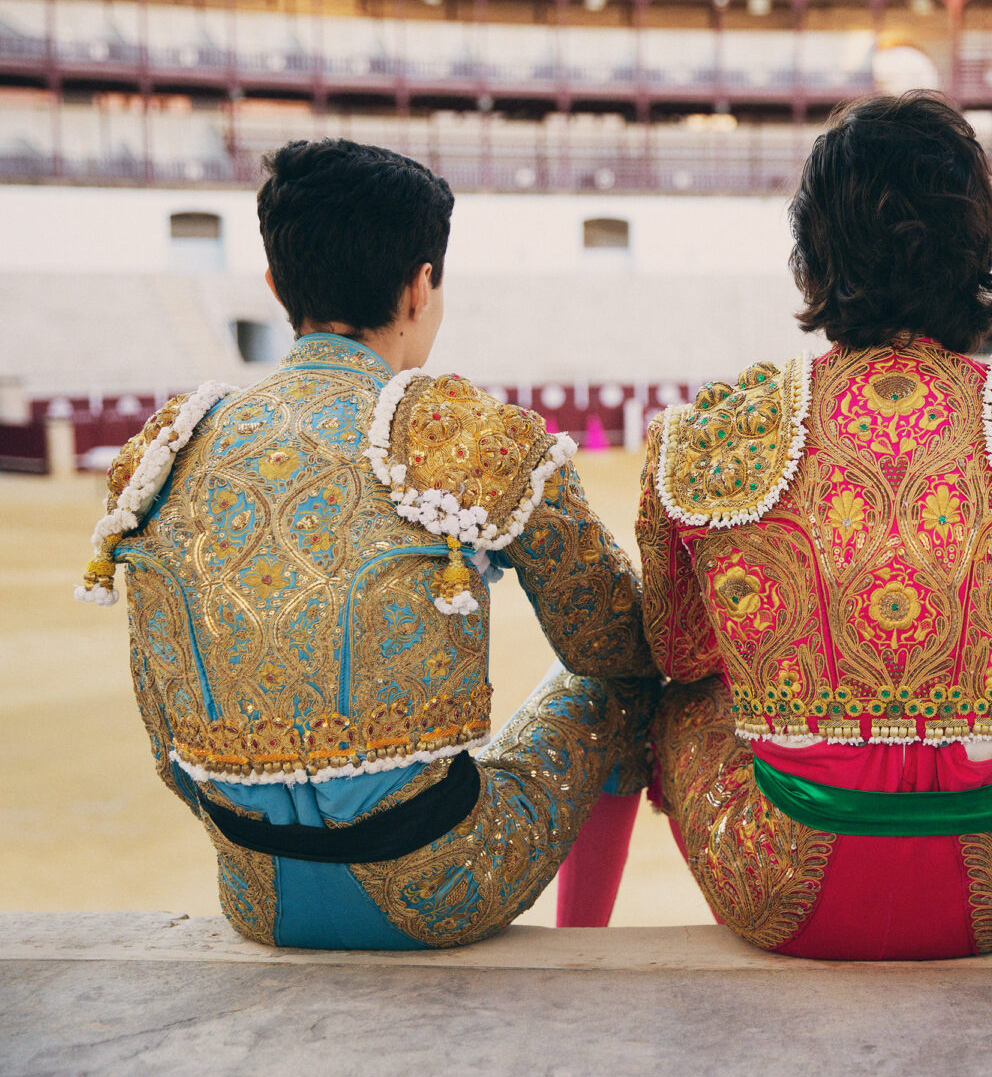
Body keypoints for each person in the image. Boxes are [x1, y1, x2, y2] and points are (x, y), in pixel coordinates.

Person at [612, 91, 992, 959]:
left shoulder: (711, 440)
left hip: (785, 889)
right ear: (980, 252)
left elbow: (679, 656)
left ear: (809, 262)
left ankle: (579, 951)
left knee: (664, 693)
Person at [76, 139, 658, 949]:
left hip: (256, 892)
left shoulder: (174, 446)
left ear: (277, 286)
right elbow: (613, 644)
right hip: (444, 887)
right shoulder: (463, 436)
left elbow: (166, 743)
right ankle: (585, 952)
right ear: (423, 285)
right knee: (619, 692)